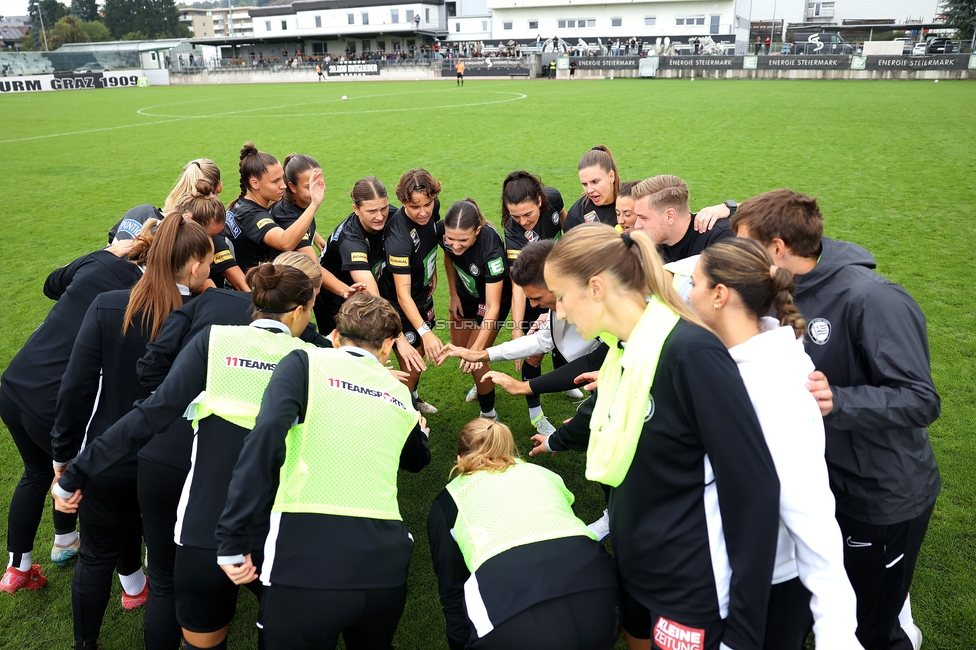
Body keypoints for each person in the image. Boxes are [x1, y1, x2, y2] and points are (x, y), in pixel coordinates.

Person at [523, 224, 780, 650]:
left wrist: (744, 630)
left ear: (596, 287)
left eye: (562, 297)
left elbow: (755, 489)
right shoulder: (624, 352)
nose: (561, 312)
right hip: (638, 565)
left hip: (689, 583)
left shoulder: (690, 353)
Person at [53, 263, 327, 650]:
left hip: (202, 531)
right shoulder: (315, 359)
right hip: (278, 534)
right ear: (300, 310)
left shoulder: (214, 341)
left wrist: (73, 475)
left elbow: (149, 413)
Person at [732, 190, 941, 650]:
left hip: (882, 499)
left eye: (745, 245)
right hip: (827, 487)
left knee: (870, 629)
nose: (737, 256)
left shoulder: (873, 299)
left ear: (778, 248)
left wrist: (839, 401)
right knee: (827, 608)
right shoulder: (781, 289)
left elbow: (921, 399)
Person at [214, 293, 431, 649]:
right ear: (389, 346)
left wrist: (231, 534)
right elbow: (416, 460)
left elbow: (265, 438)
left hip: (305, 560)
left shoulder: (304, 363)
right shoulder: (399, 391)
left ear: (335, 335)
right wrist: (420, 431)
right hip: (384, 567)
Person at [688, 238, 863, 650]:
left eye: (693, 283)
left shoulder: (771, 385)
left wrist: (836, 633)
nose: (686, 294)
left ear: (719, 295)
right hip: (731, 570)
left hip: (769, 582)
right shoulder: (734, 357)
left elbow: (810, 509)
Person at [50, 214, 213, 650]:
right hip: (169, 465)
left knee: (96, 554)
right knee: (163, 574)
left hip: (107, 459)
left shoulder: (107, 304)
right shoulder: (202, 318)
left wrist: (64, 461)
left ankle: (86, 644)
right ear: (194, 266)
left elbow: (74, 390)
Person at [0, 232, 154, 594]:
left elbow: (52, 283)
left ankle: (19, 567)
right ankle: (133, 586)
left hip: (14, 384)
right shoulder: (140, 295)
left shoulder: (101, 260)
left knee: (35, 474)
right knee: (106, 494)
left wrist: (100, 253)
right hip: (50, 400)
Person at [427, 418, 619, 650]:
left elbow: (452, 591)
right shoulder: (543, 473)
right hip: (605, 600)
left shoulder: (447, 500)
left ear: (460, 461)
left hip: (514, 624)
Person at [441, 239, 601, 436]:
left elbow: (590, 363)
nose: (533, 305)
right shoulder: (565, 299)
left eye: (537, 298)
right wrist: (482, 354)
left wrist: (524, 387)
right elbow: (542, 340)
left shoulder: (613, 312)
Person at [108, 159, 247, 292]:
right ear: (219, 186)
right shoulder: (192, 235)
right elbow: (235, 286)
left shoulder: (139, 211)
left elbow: (110, 248)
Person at [437, 200, 511, 419]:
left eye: (463, 240)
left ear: (477, 231)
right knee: (460, 346)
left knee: (476, 359)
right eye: (450, 238)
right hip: (464, 295)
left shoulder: (492, 252)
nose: (455, 245)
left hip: (491, 302)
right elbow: (448, 256)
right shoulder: (443, 231)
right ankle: (481, 384)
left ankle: (489, 413)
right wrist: (453, 294)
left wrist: (475, 353)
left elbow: (493, 307)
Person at [379, 168, 443, 413]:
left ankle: (412, 398)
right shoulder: (398, 238)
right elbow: (401, 295)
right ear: (403, 202)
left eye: (427, 203)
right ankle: (401, 410)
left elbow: (430, 241)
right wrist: (425, 332)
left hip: (421, 296)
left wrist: (432, 270)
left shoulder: (432, 208)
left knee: (414, 363)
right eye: (415, 207)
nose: (424, 211)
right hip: (399, 306)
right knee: (412, 365)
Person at [224, 142, 324, 273]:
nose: (283, 186)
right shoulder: (252, 215)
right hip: (249, 288)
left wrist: (314, 235)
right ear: (255, 183)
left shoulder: (241, 205)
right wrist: (314, 204)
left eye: (282, 178)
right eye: (275, 181)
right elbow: (285, 242)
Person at [630, 174, 734, 262]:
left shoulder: (720, 238)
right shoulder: (648, 243)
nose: (636, 225)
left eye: (643, 218)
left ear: (670, 216)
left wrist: (732, 207)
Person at [270, 153, 328, 262]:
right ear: (292, 187)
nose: (317, 190)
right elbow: (314, 268)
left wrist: (315, 236)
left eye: (320, 183)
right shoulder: (284, 214)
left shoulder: (298, 204)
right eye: (309, 186)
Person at [563, 146, 620, 231]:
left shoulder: (634, 197)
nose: (589, 190)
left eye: (595, 182)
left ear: (611, 177)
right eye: (585, 184)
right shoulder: (576, 217)